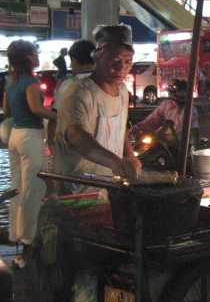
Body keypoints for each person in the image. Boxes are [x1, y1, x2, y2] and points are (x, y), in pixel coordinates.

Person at [53, 25, 141, 194]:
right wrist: (115, 162)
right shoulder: (79, 93)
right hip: (78, 187)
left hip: (109, 185)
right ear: (97, 58)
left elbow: (119, 130)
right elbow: (78, 138)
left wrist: (130, 156)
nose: (121, 68)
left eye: (128, 62)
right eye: (114, 61)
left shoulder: (122, 91)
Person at [2, 40, 58, 266]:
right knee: (34, 189)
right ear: (27, 57)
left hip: (14, 136)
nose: (38, 56)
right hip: (30, 137)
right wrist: (62, 117)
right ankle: (30, 240)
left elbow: (7, 111)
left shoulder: (11, 81)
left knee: (18, 188)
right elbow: (36, 109)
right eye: (35, 53)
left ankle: (16, 235)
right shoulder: (30, 81)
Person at [47, 40, 96, 149]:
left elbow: (55, 116)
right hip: (102, 146)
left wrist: (50, 142)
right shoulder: (105, 82)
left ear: (74, 60)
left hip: (74, 144)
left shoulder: (68, 84)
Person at [130, 79, 199, 139]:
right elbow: (152, 120)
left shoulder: (191, 110)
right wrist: (136, 128)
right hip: (165, 141)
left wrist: (166, 135)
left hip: (183, 144)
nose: (182, 94)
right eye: (180, 92)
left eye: (184, 92)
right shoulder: (166, 105)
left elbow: (183, 130)